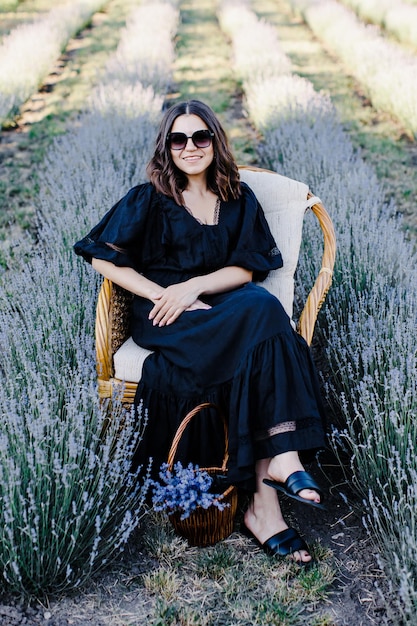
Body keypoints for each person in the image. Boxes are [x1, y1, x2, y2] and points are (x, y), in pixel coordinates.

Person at [74, 100, 327, 565]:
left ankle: (265, 500)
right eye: (178, 139)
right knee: (267, 323)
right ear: (167, 147)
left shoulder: (237, 197)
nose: (190, 147)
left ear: (215, 141)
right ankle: (275, 473)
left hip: (219, 305)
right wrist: (163, 293)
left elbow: (246, 270)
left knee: (259, 305)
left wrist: (195, 285)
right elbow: (100, 256)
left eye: (200, 137)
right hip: (167, 317)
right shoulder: (150, 197)